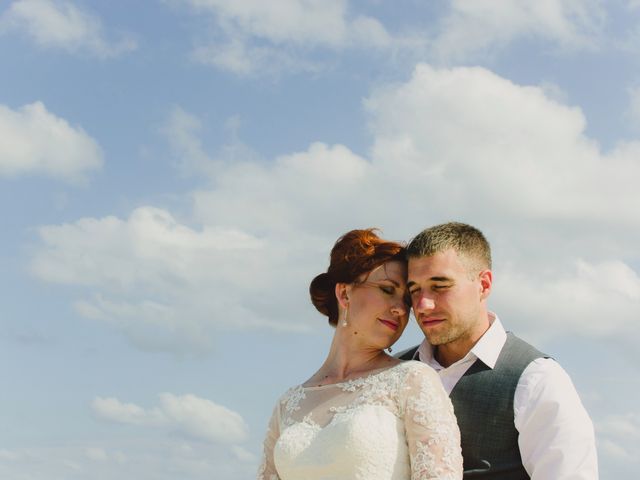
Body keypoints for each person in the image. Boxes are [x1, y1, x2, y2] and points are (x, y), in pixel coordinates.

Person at [258, 229, 463, 480]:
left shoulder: (412, 380)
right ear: (344, 294)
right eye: (388, 289)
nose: (400, 309)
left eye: (407, 302)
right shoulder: (287, 404)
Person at [399, 222, 598, 479]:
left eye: (440, 286)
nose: (423, 305)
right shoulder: (393, 370)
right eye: (414, 289)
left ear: (484, 284)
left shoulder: (536, 379)